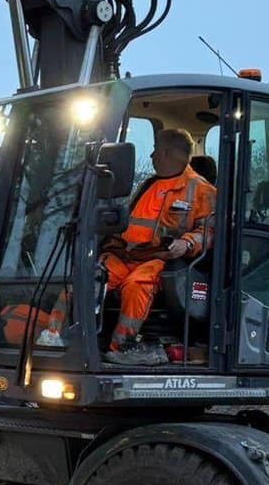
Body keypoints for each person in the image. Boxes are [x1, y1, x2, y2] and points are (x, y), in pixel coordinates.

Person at [39, 127, 216, 366]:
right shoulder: (148, 185)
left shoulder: (201, 190)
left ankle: (122, 347)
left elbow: (209, 232)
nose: (152, 156)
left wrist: (186, 243)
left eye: (154, 151)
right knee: (85, 277)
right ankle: (53, 336)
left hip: (160, 259)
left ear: (166, 153)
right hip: (125, 255)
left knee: (137, 285)